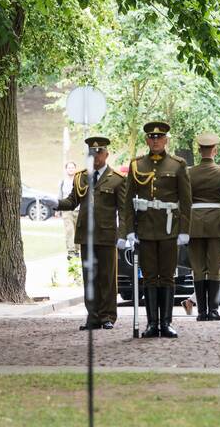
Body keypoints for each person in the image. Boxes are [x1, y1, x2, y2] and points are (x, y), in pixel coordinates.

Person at [121, 121, 192, 338]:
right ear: (146, 140)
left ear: (166, 140)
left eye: (159, 138)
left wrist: (184, 230)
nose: (155, 141)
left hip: (169, 229)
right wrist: (129, 231)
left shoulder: (177, 165)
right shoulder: (136, 165)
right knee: (150, 277)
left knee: (168, 277)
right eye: (152, 137)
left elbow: (186, 200)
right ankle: (152, 323)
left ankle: (167, 323)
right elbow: (127, 201)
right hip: (145, 229)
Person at [57, 137, 125, 330]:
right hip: (86, 235)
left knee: (107, 278)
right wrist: (55, 203)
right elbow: (72, 201)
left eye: (99, 153)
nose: (95, 157)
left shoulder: (117, 179)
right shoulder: (81, 177)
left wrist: (123, 235)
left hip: (106, 236)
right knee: (90, 278)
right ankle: (93, 316)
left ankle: (107, 316)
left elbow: (123, 211)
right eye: (91, 153)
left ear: (106, 154)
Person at [186, 133, 220, 321]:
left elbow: (183, 202)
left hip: (194, 225)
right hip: (217, 226)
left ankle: (201, 312)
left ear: (199, 150)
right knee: (215, 269)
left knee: (198, 269)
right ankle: (213, 311)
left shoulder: (188, 172)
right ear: (215, 150)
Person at [59, 161, 79, 258]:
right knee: (69, 230)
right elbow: (60, 195)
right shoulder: (63, 182)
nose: (71, 169)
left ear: (75, 169)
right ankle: (70, 251)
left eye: (72, 167)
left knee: (78, 230)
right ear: (66, 169)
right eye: (69, 168)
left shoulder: (79, 181)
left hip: (78, 209)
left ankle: (77, 250)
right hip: (66, 210)